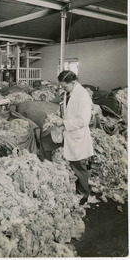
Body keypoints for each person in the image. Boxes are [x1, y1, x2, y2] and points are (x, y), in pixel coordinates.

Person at [55, 70, 94, 205]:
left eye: (65, 87)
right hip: (71, 134)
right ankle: (78, 189)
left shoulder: (82, 95)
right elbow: (69, 110)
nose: (63, 89)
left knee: (79, 166)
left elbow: (83, 120)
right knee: (73, 165)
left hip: (78, 136)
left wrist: (64, 123)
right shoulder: (71, 92)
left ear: (73, 82)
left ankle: (83, 194)